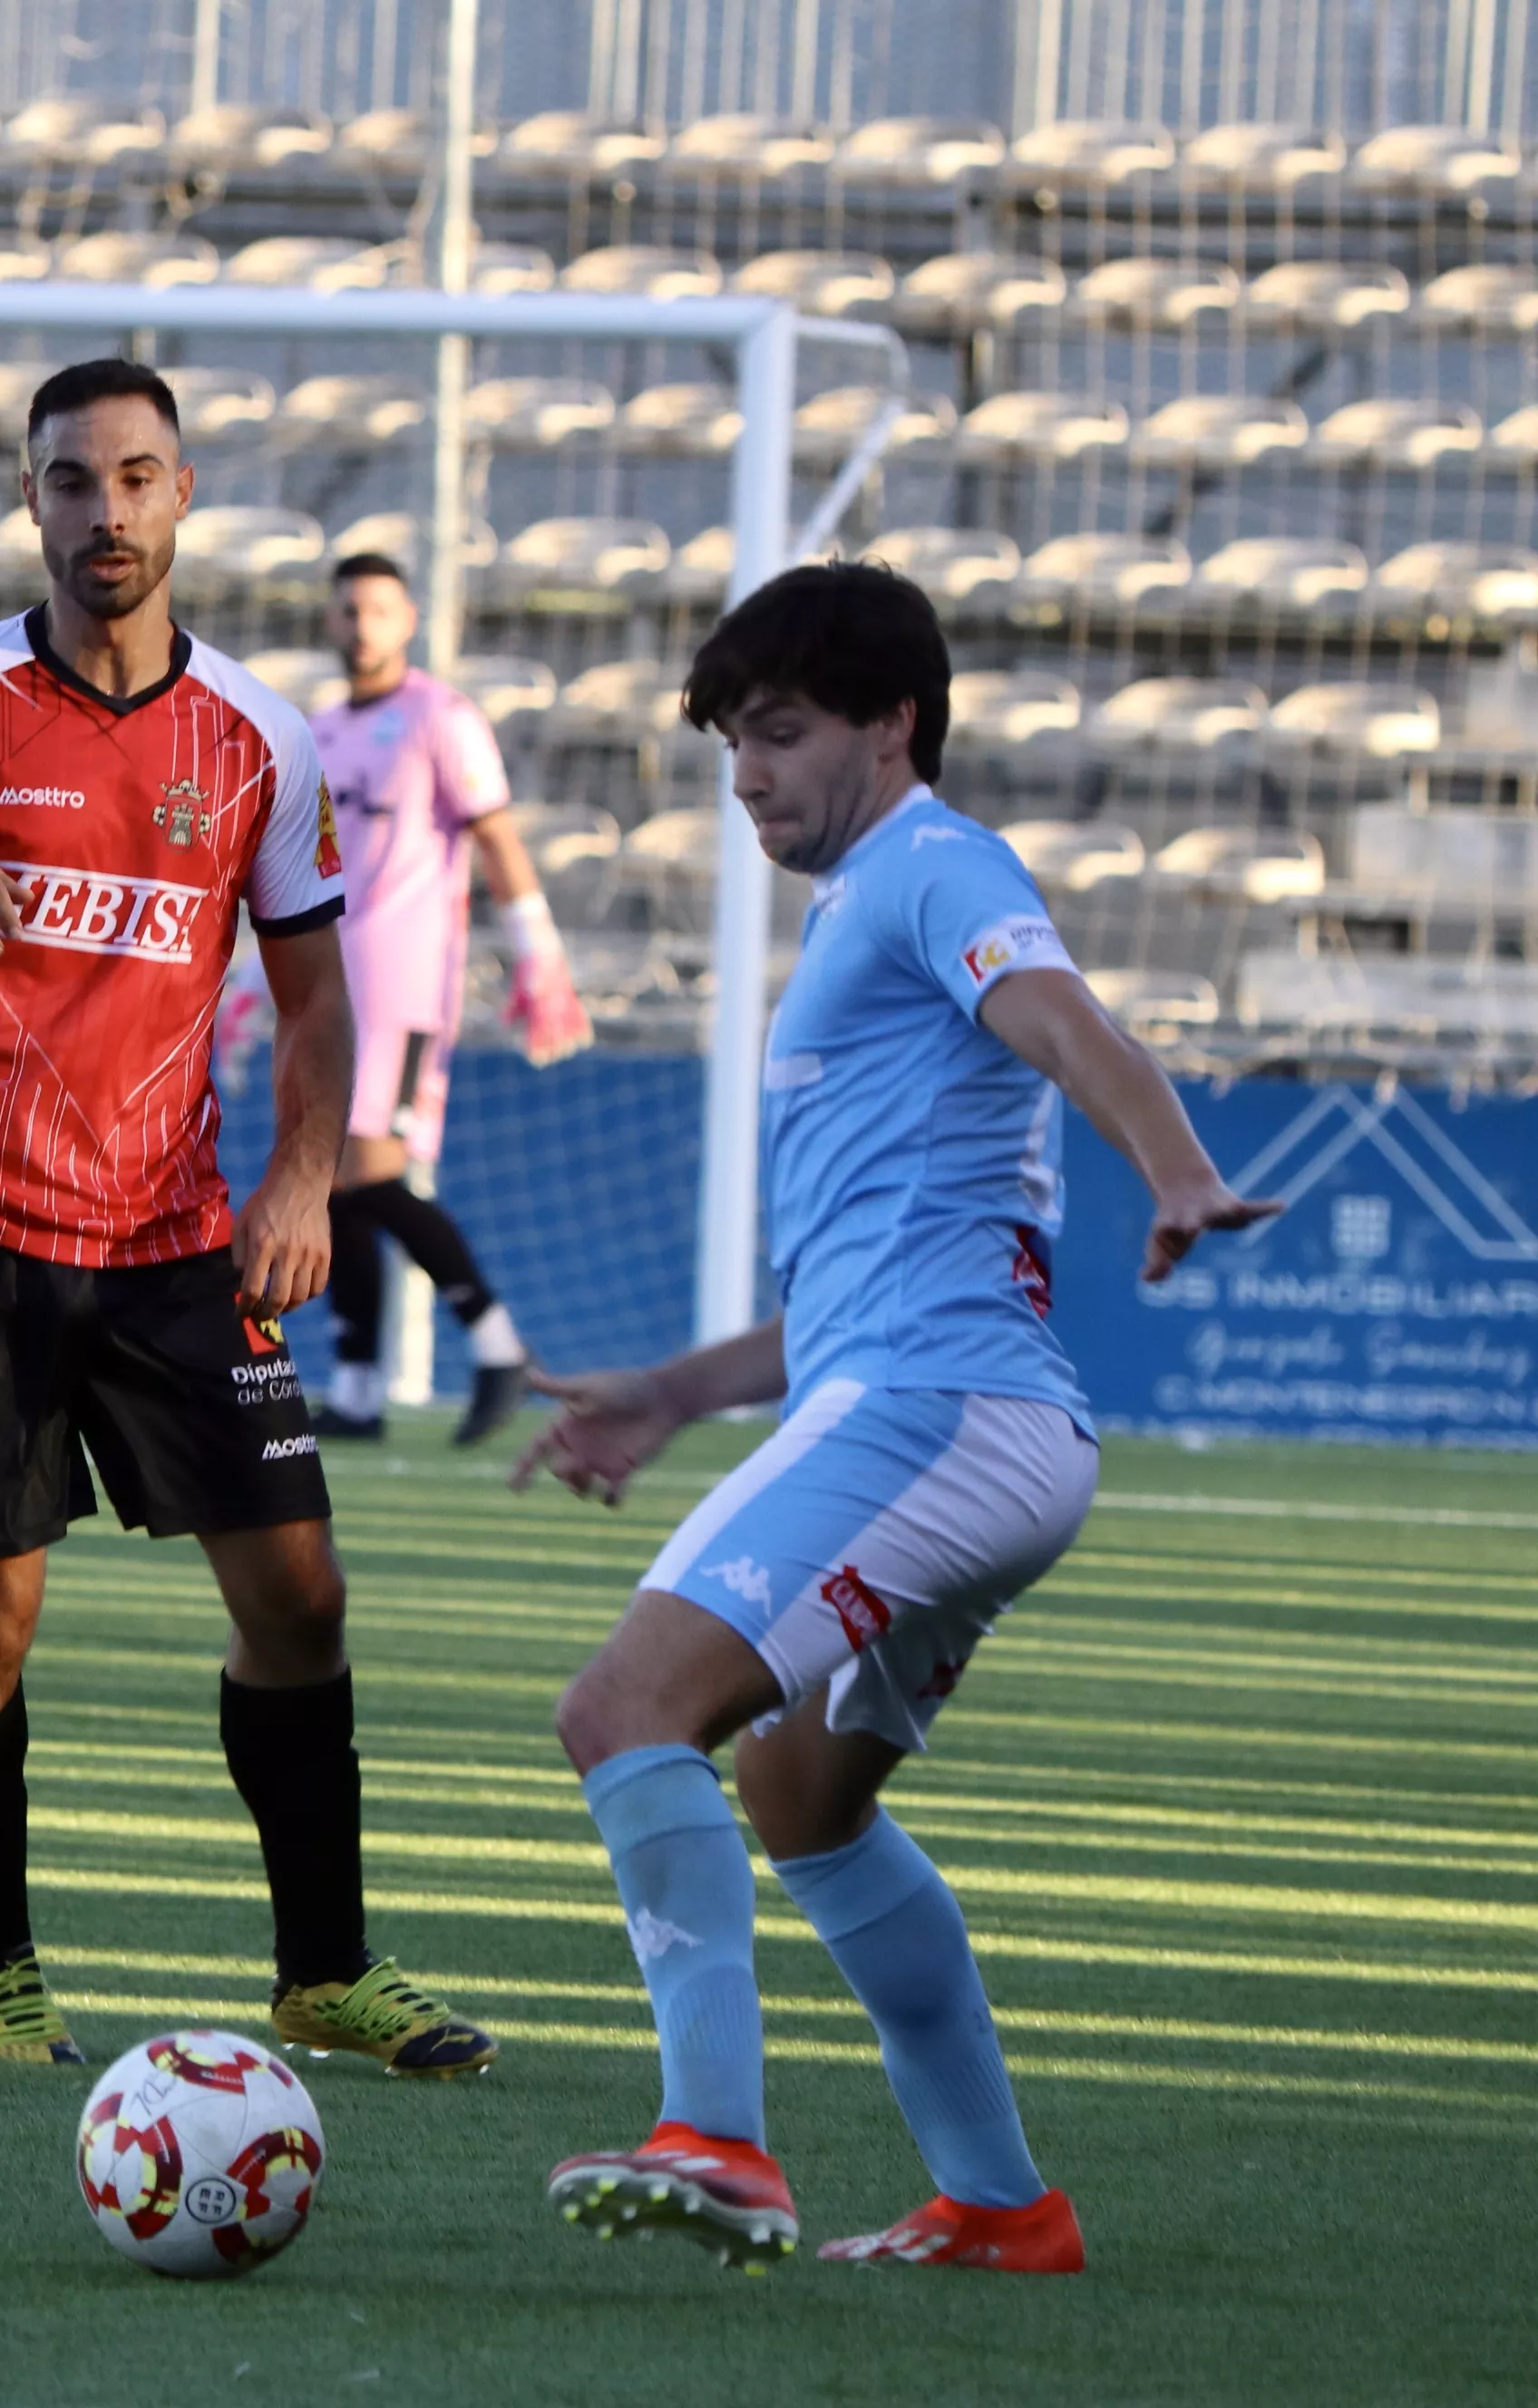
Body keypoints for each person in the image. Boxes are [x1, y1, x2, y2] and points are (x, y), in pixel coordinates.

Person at [511, 563, 1275, 2271]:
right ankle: (999, 2203)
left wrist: (1170, 1168)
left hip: (935, 1413)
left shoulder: (932, 867)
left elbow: (1063, 1014)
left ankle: (713, 2135)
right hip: (971, 1418)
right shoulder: (866, 906)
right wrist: (672, 1389)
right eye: (729, 745)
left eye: (777, 734)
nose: (746, 777)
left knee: (624, 1707)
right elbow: (865, 1284)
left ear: (890, 724)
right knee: (798, 1802)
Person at [0, 358, 496, 2077]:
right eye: (69, 481)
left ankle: (324, 1971)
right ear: (30, 502)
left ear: (183, 491)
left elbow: (311, 1001)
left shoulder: (258, 737)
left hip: (173, 1233)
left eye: (135, 477)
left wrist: (304, 1172)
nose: (104, 510)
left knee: (299, 1595)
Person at [307, 554, 585, 1447]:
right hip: (331, 980)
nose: (361, 624)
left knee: (373, 1172)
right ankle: (355, 1389)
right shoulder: (317, 731)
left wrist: (537, 952)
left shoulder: (440, 717)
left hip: (405, 981)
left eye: (378, 608)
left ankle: (499, 1345)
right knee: (340, 1180)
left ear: (409, 619)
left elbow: (497, 837)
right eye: (349, 608)